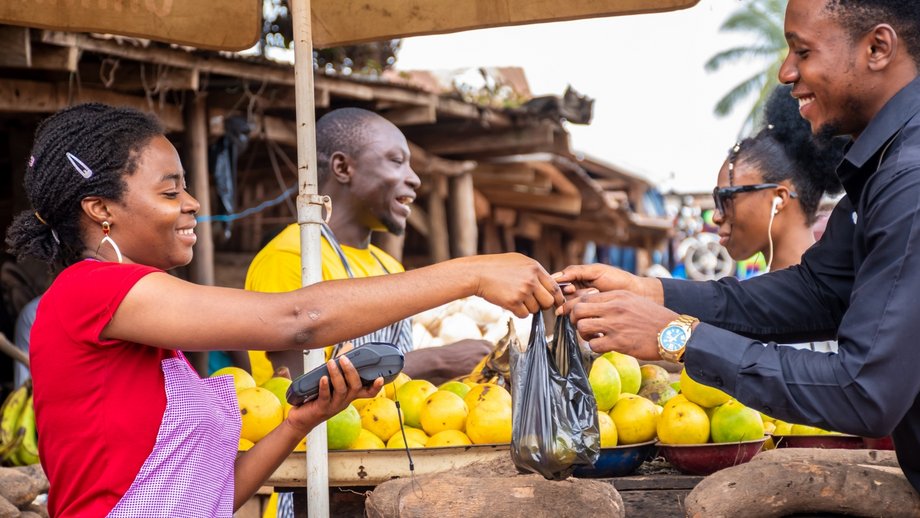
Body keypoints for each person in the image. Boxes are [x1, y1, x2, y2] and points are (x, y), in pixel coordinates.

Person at [4, 103, 562, 517]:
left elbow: (212, 495)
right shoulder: (90, 291)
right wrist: (470, 272)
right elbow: (298, 319)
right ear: (100, 209)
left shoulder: (142, 327)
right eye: (171, 192)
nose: (194, 203)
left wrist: (301, 421)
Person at [557, 0, 920, 494]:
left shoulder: (909, 177)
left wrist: (679, 337)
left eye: (802, 51)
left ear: (877, 47)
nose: (786, 71)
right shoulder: (885, 168)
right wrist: (652, 294)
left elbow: (864, 390)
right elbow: (818, 291)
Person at [247, 108, 490, 383]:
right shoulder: (293, 259)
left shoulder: (389, 266)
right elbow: (300, 390)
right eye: (397, 161)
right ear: (343, 168)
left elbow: (400, 390)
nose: (414, 179)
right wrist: (437, 360)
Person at [712, 83, 845, 352]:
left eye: (727, 198)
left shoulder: (836, 309)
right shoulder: (751, 306)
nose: (716, 215)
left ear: (779, 198)